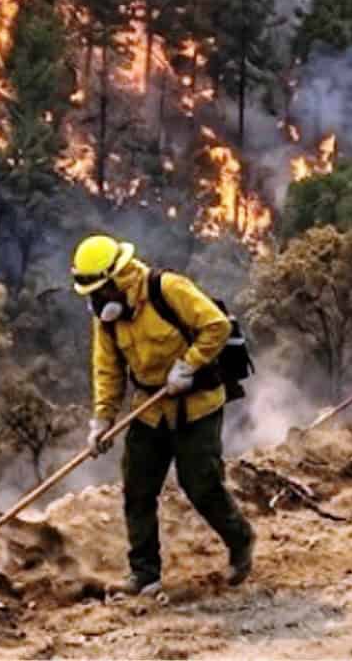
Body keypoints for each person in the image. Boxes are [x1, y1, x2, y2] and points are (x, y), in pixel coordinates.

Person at [71, 234, 254, 596]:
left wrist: (189, 365)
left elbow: (216, 325)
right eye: (90, 293)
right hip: (150, 409)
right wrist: (103, 420)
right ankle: (144, 573)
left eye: (100, 291)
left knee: (199, 482)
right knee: (137, 488)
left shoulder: (167, 289)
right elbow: (107, 370)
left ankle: (240, 539)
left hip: (197, 406)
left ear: (118, 279)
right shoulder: (106, 318)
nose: (96, 301)